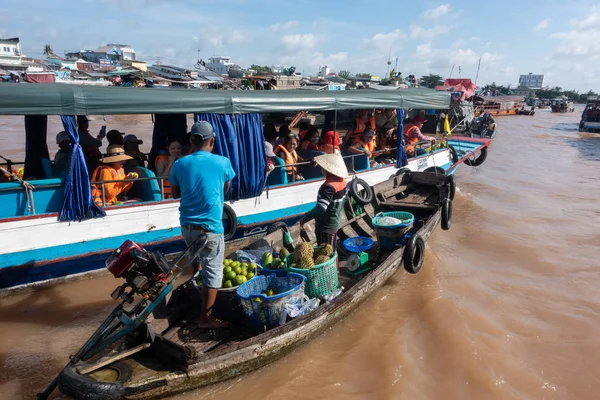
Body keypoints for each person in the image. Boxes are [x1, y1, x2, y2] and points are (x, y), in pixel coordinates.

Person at [169, 121, 235, 329]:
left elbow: (175, 194)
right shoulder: (223, 162)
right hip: (210, 229)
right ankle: (205, 319)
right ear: (212, 141)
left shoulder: (179, 164)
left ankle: (197, 292)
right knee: (214, 272)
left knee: (196, 260)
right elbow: (226, 188)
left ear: (191, 141)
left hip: (187, 227)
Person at [298, 153, 348, 249]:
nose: (321, 168)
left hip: (326, 227)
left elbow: (321, 208)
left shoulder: (328, 187)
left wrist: (305, 218)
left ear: (328, 169)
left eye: (324, 167)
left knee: (325, 255)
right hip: (335, 222)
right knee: (332, 250)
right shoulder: (342, 182)